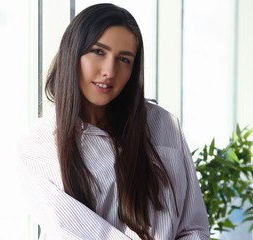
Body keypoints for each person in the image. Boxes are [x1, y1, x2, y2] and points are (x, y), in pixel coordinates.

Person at [17, 3, 210, 240]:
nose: (110, 70)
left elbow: (194, 228)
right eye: (98, 51)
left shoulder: (164, 125)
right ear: (73, 53)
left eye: (124, 59)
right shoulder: (37, 145)